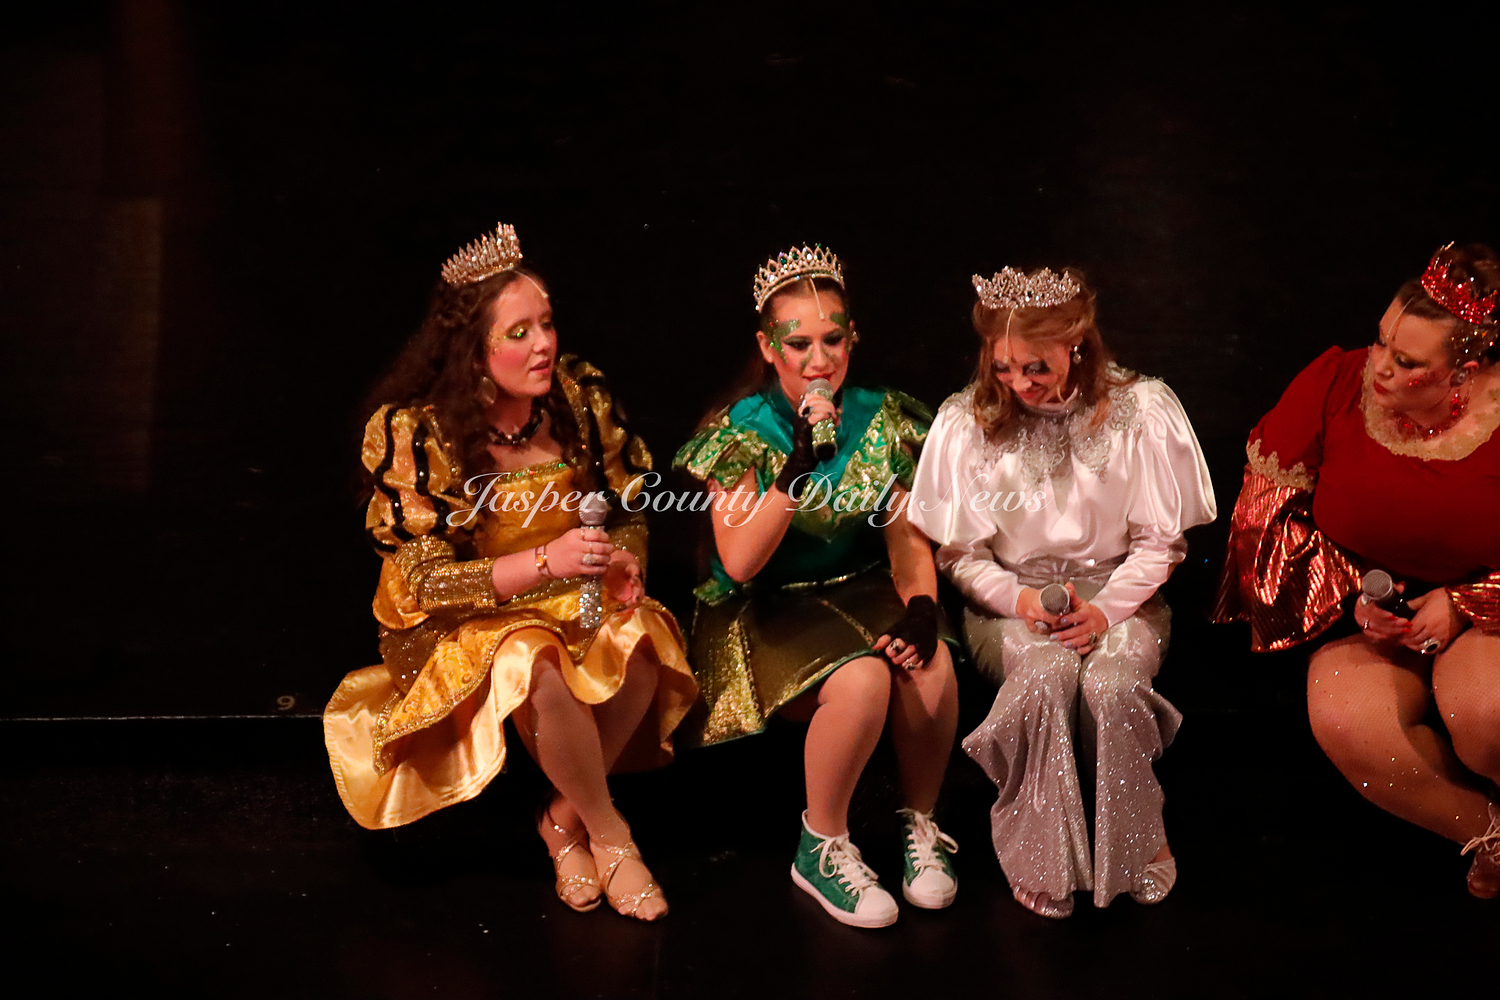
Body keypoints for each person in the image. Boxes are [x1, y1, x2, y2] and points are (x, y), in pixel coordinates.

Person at [323, 222, 697, 921]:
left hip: (565, 597)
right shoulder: (420, 433)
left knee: (645, 636)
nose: (544, 344)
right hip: (462, 620)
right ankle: (612, 836)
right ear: (473, 351)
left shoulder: (576, 399)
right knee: (533, 655)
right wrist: (545, 561)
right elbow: (428, 584)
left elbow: (626, 511)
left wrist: (620, 562)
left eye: (546, 324)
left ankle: (563, 822)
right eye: (519, 333)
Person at [908, 265, 1216, 918]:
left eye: (1035, 367)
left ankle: (1137, 837)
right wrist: (1018, 601)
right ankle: (1041, 850)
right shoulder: (967, 421)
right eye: (1003, 367)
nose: (1019, 384)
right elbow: (960, 554)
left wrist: (1105, 610)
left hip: (1121, 596)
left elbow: (1159, 544)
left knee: (1111, 682)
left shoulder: (1139, 410)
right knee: (1047, 673)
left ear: (1076, 343)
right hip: (1011, 603)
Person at [672, 245, 960, 928]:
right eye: (799, 343)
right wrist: (793, 470)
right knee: (862, 681)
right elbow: (741, 560)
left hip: (857, 589)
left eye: (833, 339)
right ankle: (821, 844)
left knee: (931, 662)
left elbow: (905, 542)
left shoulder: (883, 417)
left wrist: (922, 605)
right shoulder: (740, 431)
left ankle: (920, 824)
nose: (819, 360)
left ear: (852, 338)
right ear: (768, 348)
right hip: (766, 607)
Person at [1215, 242, 1500, 898]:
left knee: (1487, 713)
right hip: (1369, 610)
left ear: (1465, 370)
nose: (1380, 366)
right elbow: (1261, 526)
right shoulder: (1337, 384)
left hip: (1488, 613)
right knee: (1351, 725)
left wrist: (1467, 602)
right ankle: (1488, 835)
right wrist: (1349, 597)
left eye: (1408, 362)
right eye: (1380, 341)